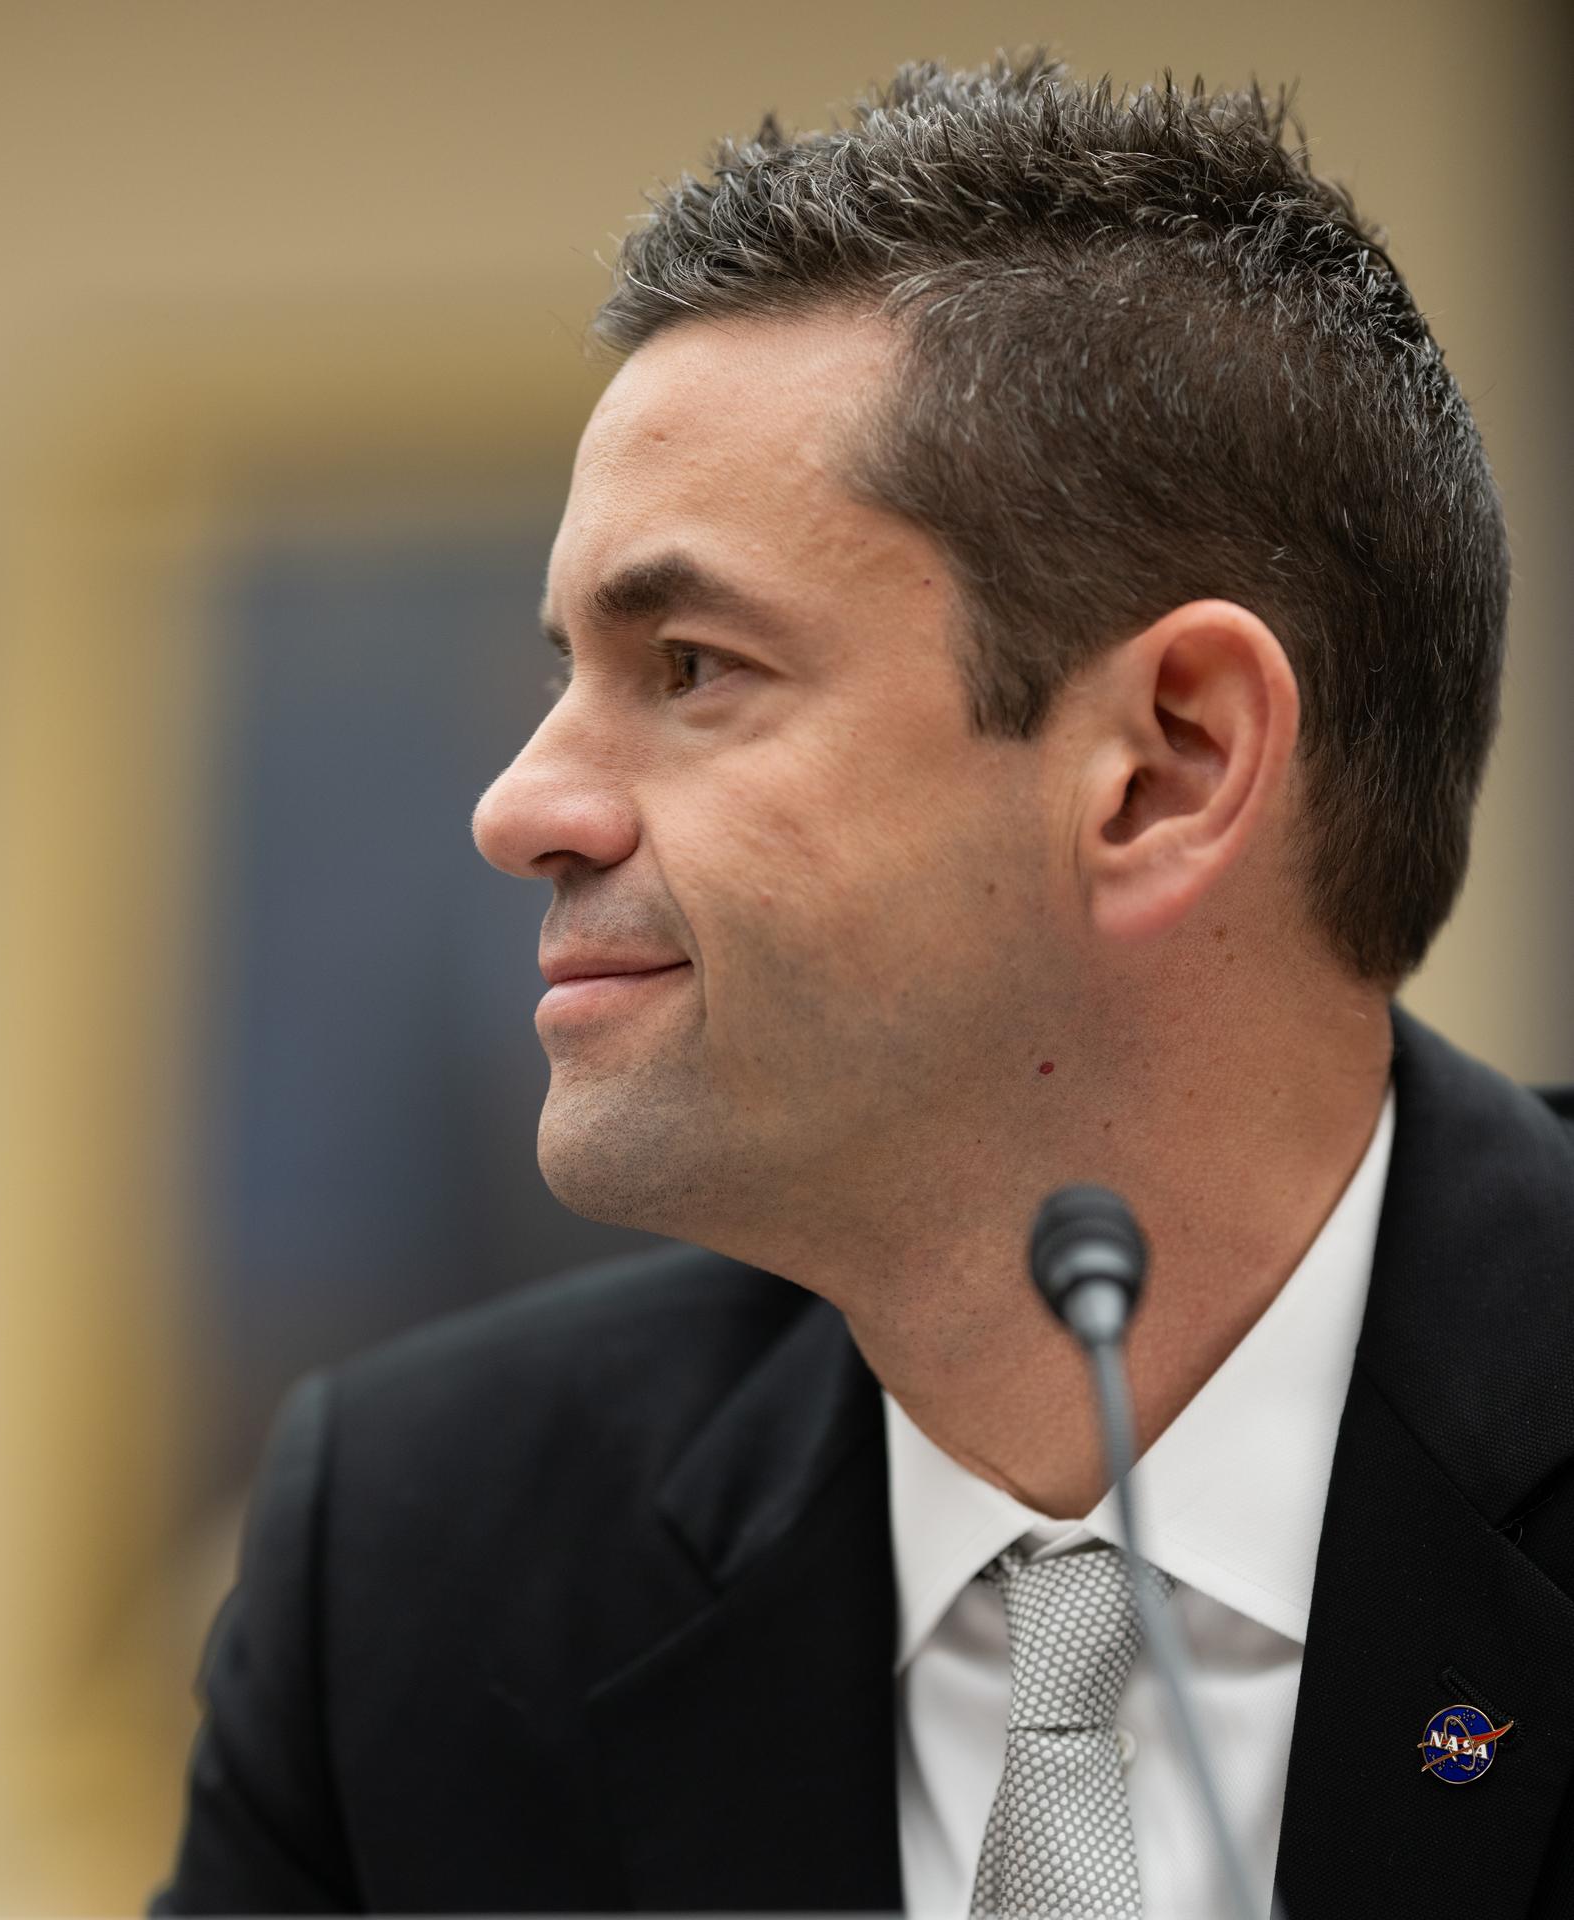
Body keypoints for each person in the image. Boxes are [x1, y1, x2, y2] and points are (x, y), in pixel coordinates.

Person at [153, 51, 1574, 1920]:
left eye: (689, 666)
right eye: (562, 673)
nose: (520, 808)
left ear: (1162, 766)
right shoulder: (419, 1569)